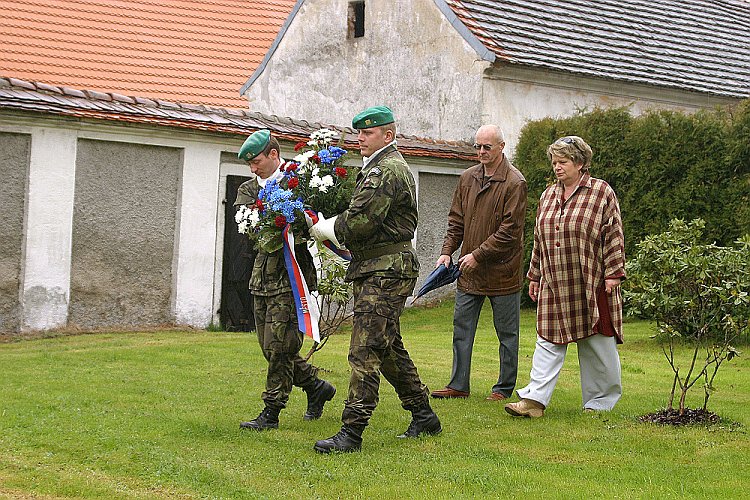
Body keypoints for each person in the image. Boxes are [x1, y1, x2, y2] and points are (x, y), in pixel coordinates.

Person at [308, 105, 441, 453]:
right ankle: (423, 414)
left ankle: (351, 432)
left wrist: (326, 228)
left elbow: (360, 223)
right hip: (379, 267)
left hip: (386, 270)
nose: (360, 139)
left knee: (365, 349)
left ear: (388, 134)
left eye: (367, 133)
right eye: (359, 133)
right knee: (388, 348)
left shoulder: (386, 170)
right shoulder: (382, 168)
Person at [505, 136, 625, 418]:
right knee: (547, 340)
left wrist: (613, 273)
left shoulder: (601, 192)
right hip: (554, 281)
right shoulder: (548, 195)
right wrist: (534, 275)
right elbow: (538, 238)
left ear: (580, 164)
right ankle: (533, 401)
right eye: (554, 162)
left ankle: (600, 402)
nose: (557, 167)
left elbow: (614, 235)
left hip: (590, 279)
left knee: (597, 342)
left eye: (563, 162)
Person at [235, 129, 336, 431]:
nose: (253, 169)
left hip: (291, 277)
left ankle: (271, 411)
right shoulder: (248, 189)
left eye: (257, 161)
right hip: (262, 277)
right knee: (270, 348)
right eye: (250, 164)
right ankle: (317, 387)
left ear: (274, 155)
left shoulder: (298, 183)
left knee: (281, 347)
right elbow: (248, 226)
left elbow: (312, 224)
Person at [430, 125, 527, 401]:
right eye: (478, 147)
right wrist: (448, 251)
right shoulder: (467, 178)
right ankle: (458, 385)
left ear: (502, 146)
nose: (482, 152)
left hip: (503, 271)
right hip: (468, 271)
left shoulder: (515, 182)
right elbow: (456, 220)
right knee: (462, 329)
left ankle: (503, 388)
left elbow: (510, 232)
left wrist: (477, 255)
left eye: (487, 147)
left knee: (507, 334)